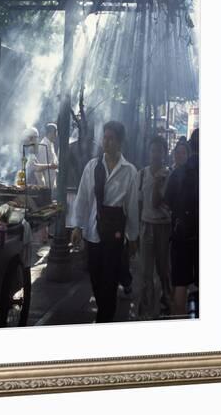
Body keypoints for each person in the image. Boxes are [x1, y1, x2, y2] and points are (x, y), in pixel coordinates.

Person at [71, 121, 139, 323]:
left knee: (109, 281)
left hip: (115, 235)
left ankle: (104, 320)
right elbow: (82, 198)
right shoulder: (92, 167)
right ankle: (104, 312)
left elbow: (132, 207)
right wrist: (77, 226)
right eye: (105, 137)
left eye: (111, 138)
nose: (106, 142)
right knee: (95, 278)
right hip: (92, 233)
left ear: (120, 142)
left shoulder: (130, 172)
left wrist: (133, 237)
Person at [162, 128, 199, 316]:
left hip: (181, 235)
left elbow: (166, 202)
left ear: (191, 148)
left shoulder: (178, 174)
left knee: (180, 284)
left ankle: (179, 322)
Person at [138, 136, 172, 317]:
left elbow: (161, 200)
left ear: (164, 153)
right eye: (152, 150)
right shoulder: (141, 174)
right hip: (146, 226)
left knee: (163, 270)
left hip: (163, 228)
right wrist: (136, 229)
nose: (155, 154)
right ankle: (146, 308)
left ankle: (166, 301)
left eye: (159, 150)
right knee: (145, 271)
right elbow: (139, 202)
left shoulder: (169, 175)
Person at [39, 123, 59, 190]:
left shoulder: (50, 144)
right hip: (47, 184)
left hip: (52, 182)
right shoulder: (43, 145)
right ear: (51, 133)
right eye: (55, 133)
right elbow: (43, 166)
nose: (56, 135)